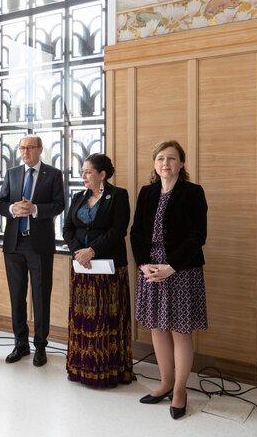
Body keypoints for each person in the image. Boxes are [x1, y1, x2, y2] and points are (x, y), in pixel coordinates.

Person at [130, 140, 208, 420]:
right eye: (161, 158)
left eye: (172, 158)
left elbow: (197, 236)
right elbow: (136, 232)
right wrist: (143, 264)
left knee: (180, 330)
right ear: (154, 164)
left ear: (182, 164)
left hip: (181, 270)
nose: (166, 163)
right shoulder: (147, 192)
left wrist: (170, 267)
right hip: (150, 269)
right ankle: (165, 382)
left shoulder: (193, 192)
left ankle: (180, 390)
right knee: (157, 328)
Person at [62, 153, 134, 387]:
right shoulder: (78, 196)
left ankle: (108, 370)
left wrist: (91, 251)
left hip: (108, 269)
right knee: (84, 319)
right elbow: (68, 229)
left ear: (102, 175)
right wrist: (78, 253)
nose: (83, 176)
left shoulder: (118, 195)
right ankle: (82, 368)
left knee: (107, 319)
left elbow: (118, 231)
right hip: (82, 269)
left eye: (88, 172)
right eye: (82, 171)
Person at [0, 135, 65, 366]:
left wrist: (35, 209)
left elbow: (59, 204)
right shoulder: (12, 173)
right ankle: (20, 344)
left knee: (40, 295)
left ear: (40, 150)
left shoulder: (53, 174)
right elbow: (0, 204)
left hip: (40, 245)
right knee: (17, 296)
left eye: (30, 148)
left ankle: (41, 346)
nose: (25, 152)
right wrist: (13, 209)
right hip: (14, 244)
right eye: (22, 148)